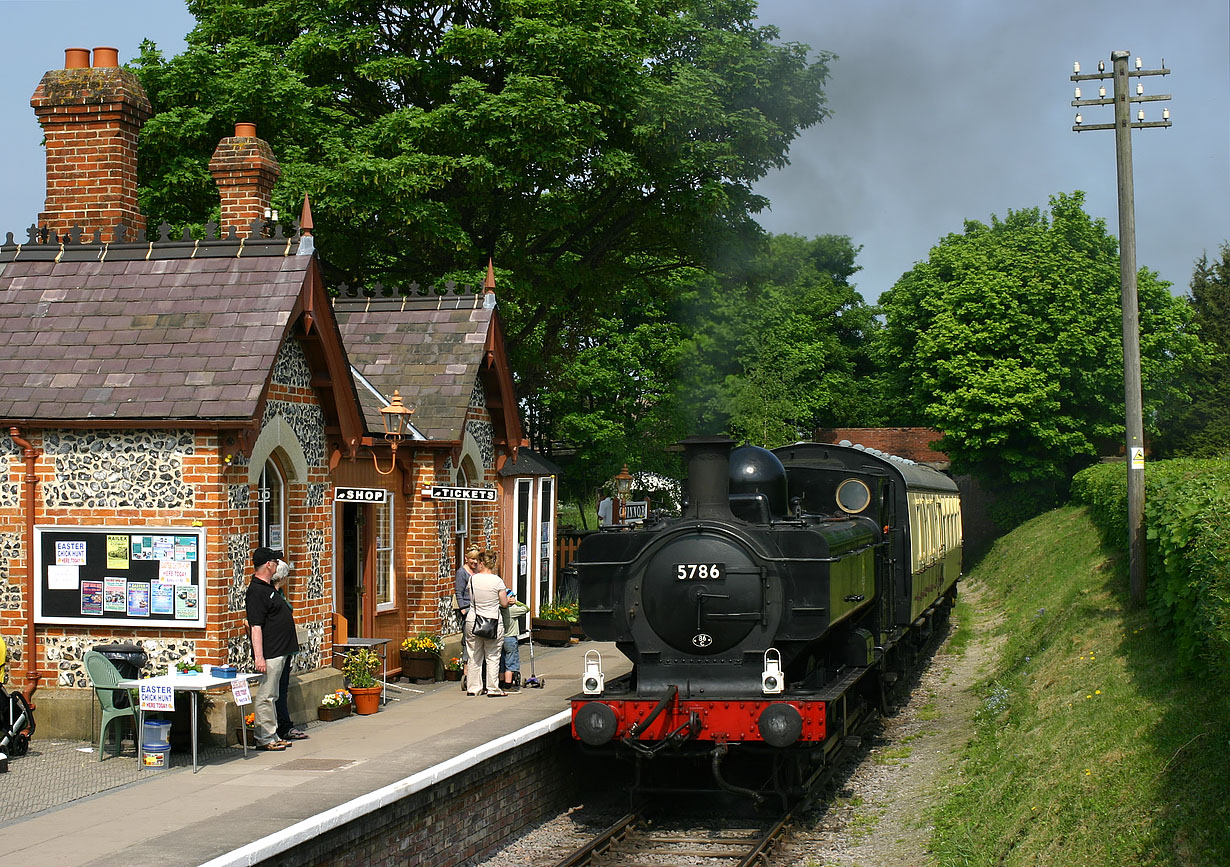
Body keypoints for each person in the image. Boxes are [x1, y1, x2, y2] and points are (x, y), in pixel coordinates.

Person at [246, 546, 298, 751]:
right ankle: (265, 737)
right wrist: (259, 657)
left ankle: (273, 734)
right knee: (266, 695)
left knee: (273, 695)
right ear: (268, 564)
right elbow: (255, 627)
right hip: (271, 652)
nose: (277, 565)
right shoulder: (257, 591)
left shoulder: (267, 588)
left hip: (280, 650)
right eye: (275, 562)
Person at [464, 549, 510, 697]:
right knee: (493, 656)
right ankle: (493, 688)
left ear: (482, 563)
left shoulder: (472, 579)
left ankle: (473, 688)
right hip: (492, 621)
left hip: (473, 620)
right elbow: (503, 603)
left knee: (474, 655)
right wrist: (509, 601)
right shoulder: (497, 581)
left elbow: (472, 599)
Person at [272, 570, 309, 741]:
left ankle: (284, 725)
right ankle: (280, 728)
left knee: (282, 688)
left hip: (286, 649)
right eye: (286, 575)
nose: (288, 578)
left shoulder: (280, 593)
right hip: (275, 650)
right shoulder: (269, 594)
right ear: (281, 577)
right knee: (275, 690)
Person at [454, 546, 481, 690]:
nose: (475, 562)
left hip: (479, 608)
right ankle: (466, 670)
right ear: (466, 558)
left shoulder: (478, 571)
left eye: (477, 559)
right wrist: (463, 608)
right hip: (468, 608)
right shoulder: (462, 573)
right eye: (472, 559)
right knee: (467, 640)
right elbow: (459, 591)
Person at [500, 589, 530, 693]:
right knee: (511, 662)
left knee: (501, 662)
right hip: (510, 638)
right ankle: (508, 686)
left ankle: (501, 683)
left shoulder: (499, 610)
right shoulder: (512, 610)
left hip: (500, 638)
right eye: (511, 596)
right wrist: (516, 602)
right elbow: (526, 608)